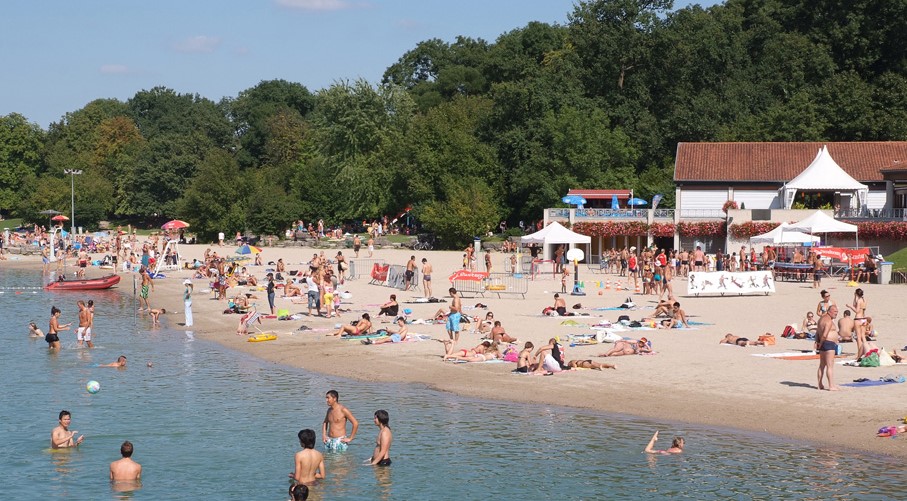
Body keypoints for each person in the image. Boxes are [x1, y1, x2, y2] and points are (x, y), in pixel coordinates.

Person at [815, 304, 840, 391]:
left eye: (837, 312)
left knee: (822, 365)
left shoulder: (820, 319)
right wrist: (821, 343)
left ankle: (819, 384)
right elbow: (825, 334)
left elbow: (818, 332)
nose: (836, 313)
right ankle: (831, 386)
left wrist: (817, 343)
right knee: (830, 365)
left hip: (823, 343)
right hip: (828, 343)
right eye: (835, 311)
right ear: (829, 311)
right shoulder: (828, 321)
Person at [847, 288, 868, 359]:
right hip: (863, 319)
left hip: (858, 319)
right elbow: (855, 304)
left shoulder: (859, 301)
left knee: (858, 337)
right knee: (863, 337)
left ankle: (860, 353)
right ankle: (866, 350)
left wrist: (850, 307)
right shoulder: (863, 300)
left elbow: (856, 310)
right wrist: (855, 296)